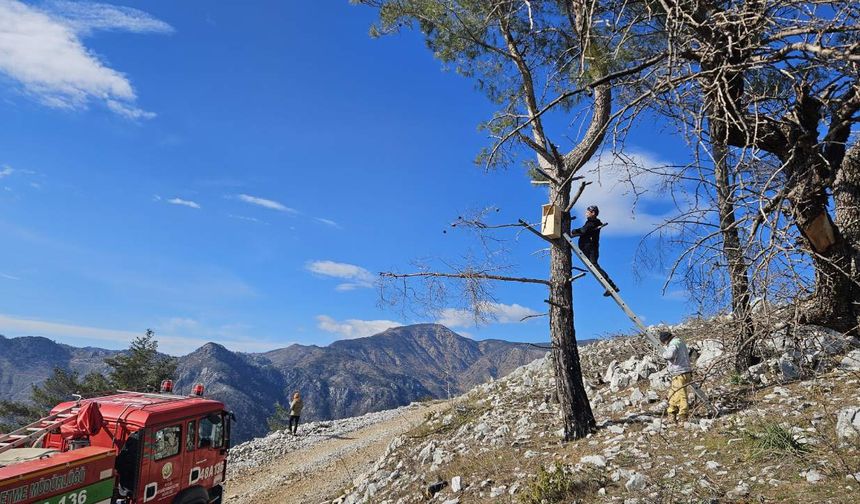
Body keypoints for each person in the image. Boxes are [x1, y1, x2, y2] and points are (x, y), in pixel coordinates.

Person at [571, 205, 619, 296]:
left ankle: (611, 285)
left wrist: (574, 231)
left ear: (593, 213)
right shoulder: (591, 222)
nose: (586, 213)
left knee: (594, 265)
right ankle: (609, 285)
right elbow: (584, 230)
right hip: (589, 247)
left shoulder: (594, 222)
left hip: (590, 247)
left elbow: (583, 230)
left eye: (587, 212)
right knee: (593, 266)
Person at [659, 329, 693, 422]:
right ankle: (672, 414)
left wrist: (664, 354)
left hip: (679, 373)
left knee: (681, 395)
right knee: (673, 394)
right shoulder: (680, 342)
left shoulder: (673, 344)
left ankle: (683, 415)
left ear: (665, 340)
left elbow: (669, 355)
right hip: (685, 371)